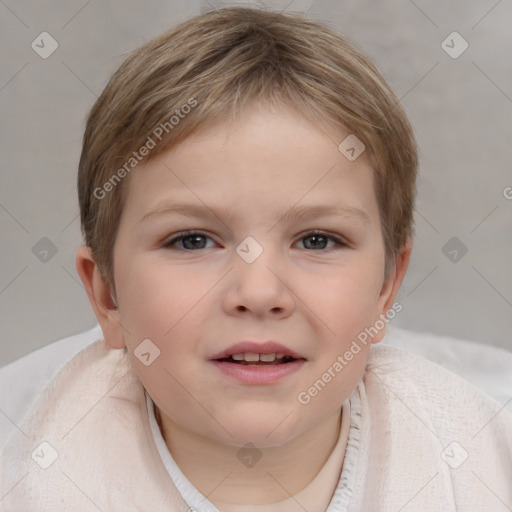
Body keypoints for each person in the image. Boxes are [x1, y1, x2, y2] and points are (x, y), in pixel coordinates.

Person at [1, 6, 511, 511]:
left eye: (317, 241)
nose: (259, 293)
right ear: (107, 295)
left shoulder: (484, 465)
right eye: (192, 241)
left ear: (385, 289)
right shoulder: (25, 470)